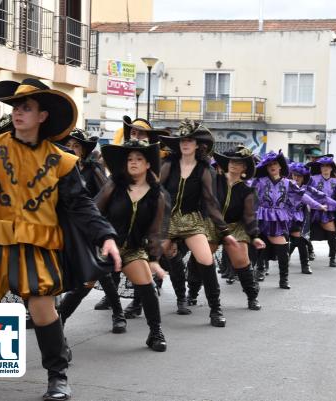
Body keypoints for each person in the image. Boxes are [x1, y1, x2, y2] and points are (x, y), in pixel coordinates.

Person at [0, 78, 121, 401]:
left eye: (27, 108)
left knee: (42, 306)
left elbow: (79, 204)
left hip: (38, 245)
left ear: (42, 116)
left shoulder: (62, 160)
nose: (18, 113)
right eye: (16, 107)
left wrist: (105, 235)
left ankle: (57, 376)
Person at [159, 119, 238, 327]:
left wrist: (224, 230)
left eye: (190, 140)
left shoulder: (205, 170)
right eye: (183, 140)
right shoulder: (168, 165)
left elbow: (211, 203)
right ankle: (152, 302)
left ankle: (215, 309)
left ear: (197, 145)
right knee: (156, 257)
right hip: (166, 220)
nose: (185, 143)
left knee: (205, 258)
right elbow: (156, 192)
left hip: (192, 220)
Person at [96, 138, 169, 351]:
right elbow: (94, 211)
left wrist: (154, 259)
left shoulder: (157, 196)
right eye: (130, 159)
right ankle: (58, 328)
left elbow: (155, 231)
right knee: (83, 287)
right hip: (106, 245)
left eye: (139, 159)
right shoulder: (115, 185)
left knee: (147, 285)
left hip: (133, 249)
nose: (134, 162)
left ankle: (155, 332)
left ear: (148, 165)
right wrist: (97, 239)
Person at [56, 128, 127, 334]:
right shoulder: (57, 167)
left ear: (84, 151)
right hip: (61, 231)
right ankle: (52, 318)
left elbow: (107, 195)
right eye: (68, 145)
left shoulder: (91, 170)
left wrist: (100, 229)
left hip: (89, 230)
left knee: (97, 275)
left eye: (76, 146)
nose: (71, 149)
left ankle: (117, 314)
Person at [252, 151, 328, 286]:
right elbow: (246, 192)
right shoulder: (260, 181)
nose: (272, 166)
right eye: (269, 164)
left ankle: (283, 279)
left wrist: (318, 206)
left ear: (280, 166)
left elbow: (303, 196)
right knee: (258, 248)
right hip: (261, 218)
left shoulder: (288, 183)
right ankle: (258, 271)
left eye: (275, 163)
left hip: (278, 219)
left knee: (282, 249)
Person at [205, 147, 265, 310]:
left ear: (244, 167)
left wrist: (254, 236)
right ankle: (191, 294)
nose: (234, 165)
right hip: (213, 224)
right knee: (201, 257)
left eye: (239, 163)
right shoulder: (214, 179)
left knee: (241, 261)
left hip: (235, 226)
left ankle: (252, 297)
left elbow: (249, 215)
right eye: (232, 161)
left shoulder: (247, 190)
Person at [289, 162, 336, 274]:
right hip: (288, 216)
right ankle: (280, 259)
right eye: (294, 175)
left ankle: (331, 258)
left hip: (319, 211)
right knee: (293, 239)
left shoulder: (335, 181)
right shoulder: (287, 184)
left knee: (330, 233)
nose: (296, 177)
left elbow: (323, 197)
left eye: (327, 166)